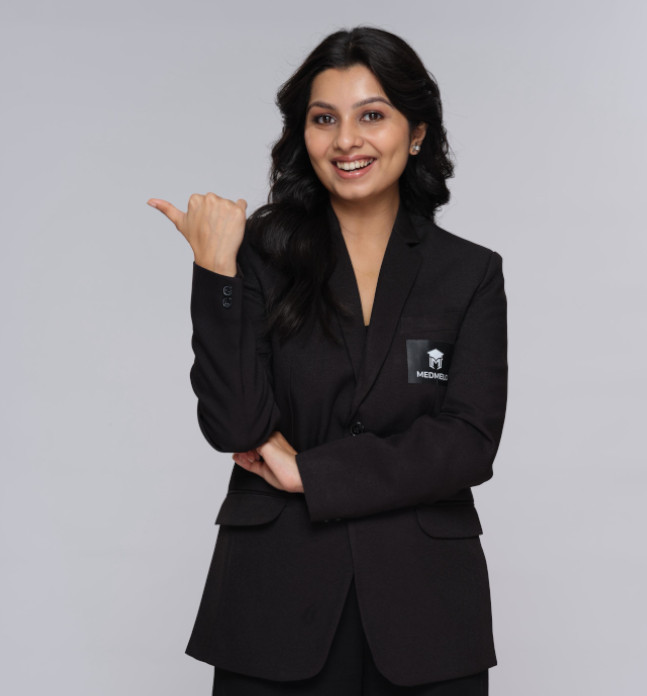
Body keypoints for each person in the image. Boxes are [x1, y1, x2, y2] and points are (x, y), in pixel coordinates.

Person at [148, 26, 507, 696]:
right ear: (302, 134)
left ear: (417, 132)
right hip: (274, 601)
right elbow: (235, 424)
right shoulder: (259, 253)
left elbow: (467, 445)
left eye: (371, 116)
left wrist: (311, 473)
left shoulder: (470, 274)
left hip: (426, 612)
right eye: (324, 119)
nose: (346, 141)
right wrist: (216, 270)